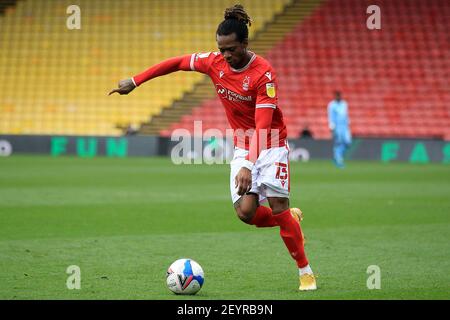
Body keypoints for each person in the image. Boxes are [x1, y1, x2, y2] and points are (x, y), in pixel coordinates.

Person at [109, 4, 316, 291]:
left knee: (278, 206)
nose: (226, 55)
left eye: (231, 49)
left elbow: (263, 124)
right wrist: (136, 80)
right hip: (243, 145)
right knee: (246, 213)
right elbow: (177, 62)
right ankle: (289, 220)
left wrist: (248, 165)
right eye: (221, 49)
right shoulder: (214, 62)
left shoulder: (263, 74)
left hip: (270, 143)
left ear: (245, 43)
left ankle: (305, 271)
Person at [327, 91, 352, 168]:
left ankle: (336, 157)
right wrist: (332, 125)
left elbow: (346, 114)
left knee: (348, 142)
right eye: (337, 96)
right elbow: (331, 115)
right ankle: (338, 159)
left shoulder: (344, 104)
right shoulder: (332, 105)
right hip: (337, 126)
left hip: (345, 126)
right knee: (339, 142)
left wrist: (348, 122)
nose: (338, 97)